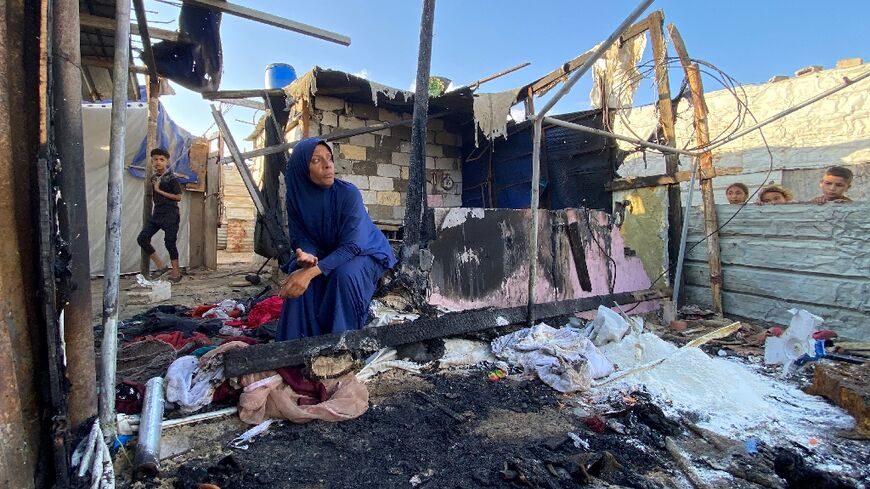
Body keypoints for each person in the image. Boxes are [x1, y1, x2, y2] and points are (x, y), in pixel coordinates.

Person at [277, 137, 396, 341]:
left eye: (329, 158)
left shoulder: (348, 194)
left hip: (366, 252)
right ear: (302, 169)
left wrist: (311, 272)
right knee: (297, 271)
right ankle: (297, 343)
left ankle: (343, 343)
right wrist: (307, 255)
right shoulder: (295, 197)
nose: (328, 165)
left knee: (344, 275)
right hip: (330, 252)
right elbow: (301, 236)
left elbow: (353, 246)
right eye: (316, 160)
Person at [136, 148, 183, 282]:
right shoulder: (154, 177)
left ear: (167, 162)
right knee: (142, 239)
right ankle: (161, 266)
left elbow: (178, 197)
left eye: (161, 159)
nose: (158, 162)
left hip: (170, 214)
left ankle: (176, 273)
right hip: (157, 215)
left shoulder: (172, 178)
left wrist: (158, 189)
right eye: (155, 159)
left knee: (170, 243)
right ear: (152, 161)